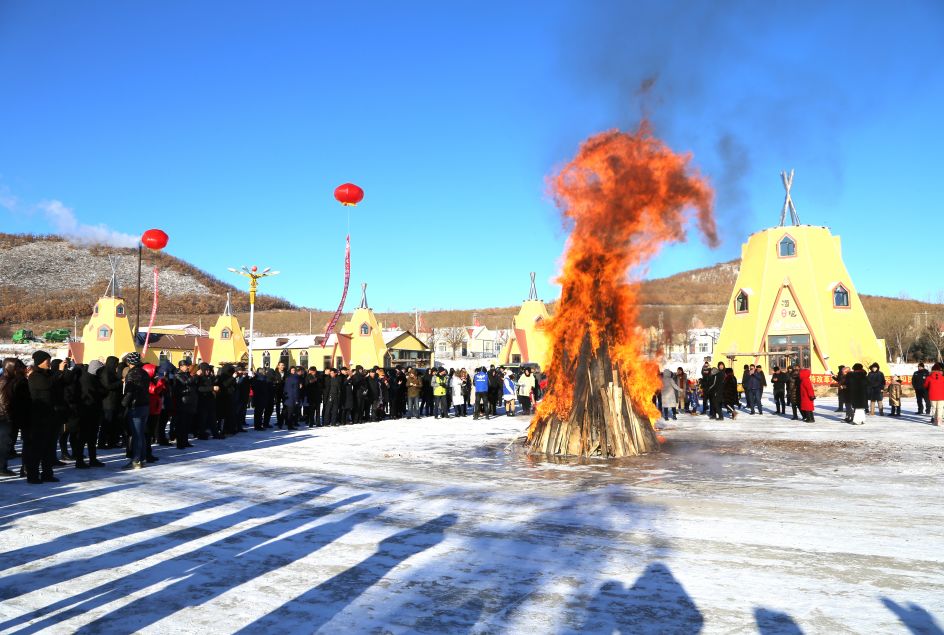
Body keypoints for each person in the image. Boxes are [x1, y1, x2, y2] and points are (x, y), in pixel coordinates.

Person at [25, 351, 59, 483]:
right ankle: (33, 475)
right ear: (40, 361)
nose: (49, 363)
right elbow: (48, 385)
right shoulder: (35, 376)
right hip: (38, 417)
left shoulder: (47, 374)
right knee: (37, 448)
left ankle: (47, 473)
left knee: (49, 448)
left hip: (50, 416)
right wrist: (59, 373)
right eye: (47, 360)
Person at [122, 352, 151, 469]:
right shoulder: (144, 373)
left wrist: (123, 403)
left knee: (136, 435)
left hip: (135, 407)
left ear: (129, 362)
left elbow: (129, 392)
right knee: (141, 434)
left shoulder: (131, 374)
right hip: (145, 405)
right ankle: (142, 458)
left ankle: (136, 460)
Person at [0, 358, 27, 476]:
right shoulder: (4, 381)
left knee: (6, 443)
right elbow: (3, 402)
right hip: (3, 418)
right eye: (16, 368)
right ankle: (1, 468)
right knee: (3, 444)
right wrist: (9, 417)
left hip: (7, 417)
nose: (18, 370)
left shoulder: (11, 380)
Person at [77, 360, 106, 467]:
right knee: (84, 437)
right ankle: (80, 460)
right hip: (87, 412)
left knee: (92, 437)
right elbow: (94, 394)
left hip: (93, 411)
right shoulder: (87, 379)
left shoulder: (93, 378)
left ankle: (92, 459)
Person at [172, 360, 197, 447]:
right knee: (181, 424)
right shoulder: (178, 375)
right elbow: (186, 382)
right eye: (186, 366)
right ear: (181, 367)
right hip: (182, 402)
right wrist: (193, 375)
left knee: (187, 423)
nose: (187, 367)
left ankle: (185, 441)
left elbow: (193, 385)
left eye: (188, 365)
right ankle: (180, 443)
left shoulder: (187, 375)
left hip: (189, 401)